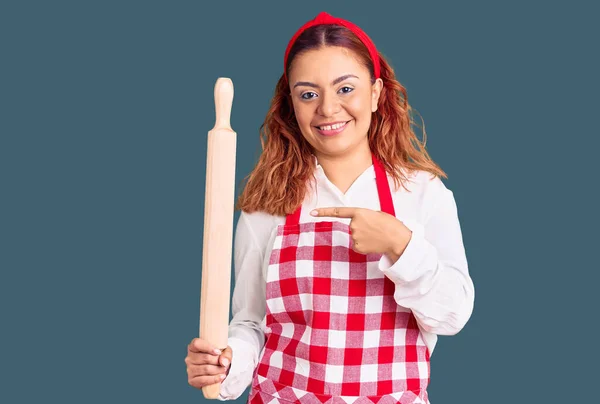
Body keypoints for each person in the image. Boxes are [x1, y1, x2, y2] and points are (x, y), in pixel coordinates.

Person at [185, 11, 475, 404]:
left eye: (345, 89)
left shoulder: (423, 193)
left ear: (375, 93)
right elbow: (252, 322)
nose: (327, 108)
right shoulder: (267, 203)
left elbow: (452, 316)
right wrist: (227, 361)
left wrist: (399, 244)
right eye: (308, 94)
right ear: (292, 105)